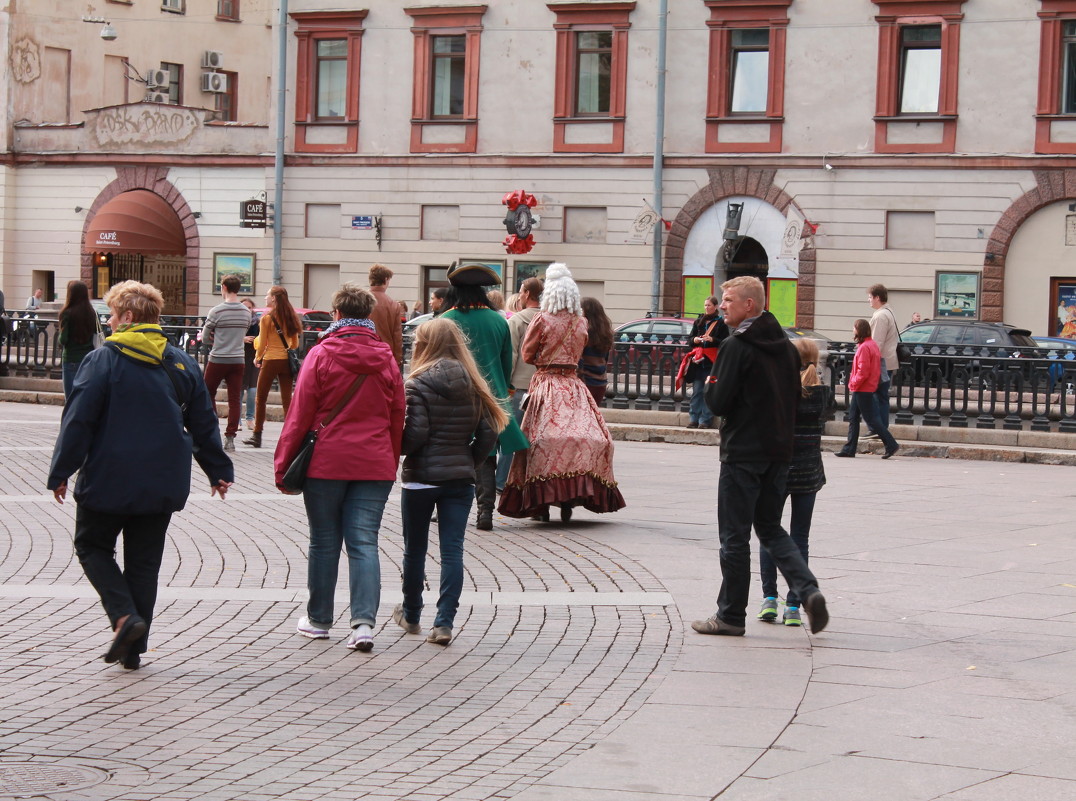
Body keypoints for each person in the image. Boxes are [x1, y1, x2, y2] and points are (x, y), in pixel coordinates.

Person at [47, 280, 233, 670]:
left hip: (109, 477)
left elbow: (78, 420)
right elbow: (203, 421)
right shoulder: (180, 361)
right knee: (144, 564)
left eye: (113, 315)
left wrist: (62, 471)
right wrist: (218, 470)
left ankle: (123, 617)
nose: (110, 323)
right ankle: (133, 649)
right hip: (162, 480)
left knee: (92, 547)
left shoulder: (103, 360)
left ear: (128, 317)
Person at [692, 275, 828, 637]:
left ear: (749, 304)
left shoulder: (737, 346)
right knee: (770, 528)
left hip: (742, 453)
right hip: (778, 452)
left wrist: (710, 386)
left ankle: (731, 615)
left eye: (728, 300)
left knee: (734, 536)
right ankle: (807, 589)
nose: (721, 306)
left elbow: (718, 402)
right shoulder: (784, 346)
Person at [275, 283, 404, 652]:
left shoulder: (321, 354)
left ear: (335, 314)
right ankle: (363, 624)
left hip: (326, 461)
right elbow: (398, 415)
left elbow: (299, 415)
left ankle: (318, 620)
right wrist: (389, 460)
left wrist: (283, 464)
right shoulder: (386, 358)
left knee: (325, 541)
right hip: (374, 461)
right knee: (364, 542)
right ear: (368, 316)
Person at [395, 318, 508, 646]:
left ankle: (412, 614)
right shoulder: (474, 381)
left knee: (415, 550)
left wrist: (401, 448)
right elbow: (489, 432)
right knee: (452, 552)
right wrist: (468, 461)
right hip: (459, 479)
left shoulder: (416, 383)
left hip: (420, 479)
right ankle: (444, 622)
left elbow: (415, 434)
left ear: (425, 345)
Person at [498, 264, 626, 524]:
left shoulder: (542, 319)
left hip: (546, 382)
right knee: (584, 436)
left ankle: (540, 505)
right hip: (573, 385)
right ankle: (569, 499)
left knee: (537, 440)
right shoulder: (581, 321)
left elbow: (527, 355)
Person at [441, 263, 529, 530]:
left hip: (455, 397)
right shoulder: (498, 321)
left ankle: (445, 509)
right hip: (492, 397)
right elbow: (506, 364)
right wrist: (505, 390)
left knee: (449, 454)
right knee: (487, 457)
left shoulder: (446, 320)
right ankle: (485, 513)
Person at [757, 337, 832, 627]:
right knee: (800, 537)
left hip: (778, 471)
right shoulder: (822, 393)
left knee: (770, 533)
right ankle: (793, 606)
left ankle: (769, 600)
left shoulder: (783, 391)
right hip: (809, 472)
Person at [495, 276, 543, 492]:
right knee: (539, 437)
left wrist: (506, 385)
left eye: (522, 291)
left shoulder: (516, 320)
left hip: (519, 386)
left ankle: (502, 481)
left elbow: (511, 356)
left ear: (526, 294)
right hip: (544, 386)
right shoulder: (549, 319)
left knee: (511, 435)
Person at [201, 275, 253, 452]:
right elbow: (242, 331)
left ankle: (213, 428)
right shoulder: (246, 312)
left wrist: (217, 339)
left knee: (207, 392)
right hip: (238, 359)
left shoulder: (216, 311)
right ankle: (230, 437)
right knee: (235, 398)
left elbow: (205, 337)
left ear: (223, 287)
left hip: (218, 358)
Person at [245, 285, 302, 449]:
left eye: (267, 295)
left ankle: (257, 435)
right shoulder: (292, 317)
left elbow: (262, 343)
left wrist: (257, 357)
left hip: (270, 360)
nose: (265, 298)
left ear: (274, 299)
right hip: (286, 361)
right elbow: (295, 343)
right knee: (287, 400)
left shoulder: (267, 318)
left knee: (260, 398)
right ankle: (291, 437)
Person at [836, 319, 900, 460]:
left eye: (854, 328)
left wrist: (853, 383)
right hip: (866, 387)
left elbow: (863, 371)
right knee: (853, 417)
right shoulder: (872, 344)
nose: (853, 330)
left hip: (862, 388)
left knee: (872, 419)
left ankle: (891, 444)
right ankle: (849, 448)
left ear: (859, 330)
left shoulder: (865, 347)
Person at [684, 296, 728, 428]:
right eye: (705, 305)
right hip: (698, 362)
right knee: (697, 391)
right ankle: (694, 419)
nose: (706, 307)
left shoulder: (721, 323)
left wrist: (712, 340)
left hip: (712, 363)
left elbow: (725, 342)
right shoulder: (699, 322)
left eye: (709, 305)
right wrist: (695, 340)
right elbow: (690, 340)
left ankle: (705, 420)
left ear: (715, 307)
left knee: (708, 392)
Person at [57, 280, 98, 399]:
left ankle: (70, 418)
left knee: (70, 398)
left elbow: (63, 339)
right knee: (84, 397)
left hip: (71, 359)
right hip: (89, 359)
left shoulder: (67, 313)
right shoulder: (92, 313)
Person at [867, 284, 900, 432]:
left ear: (877, 298)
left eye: (870, 297)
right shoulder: (889, 312)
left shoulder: (880, 316)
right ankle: (880, 428)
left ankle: (877, 429)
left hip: (880, 363)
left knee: (876, 397)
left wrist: (869, 363)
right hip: (888, 361)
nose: (869, 300)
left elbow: (876, 343)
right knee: (882, 397)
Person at [578, 297, 613, 406]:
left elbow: (579, 360)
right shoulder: (605, 333)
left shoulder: (583, 333)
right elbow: (605, 359)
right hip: (600, 383)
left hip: (585, 382)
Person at [368, 264, 403, 368]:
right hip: (385, 355)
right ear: (386, 279)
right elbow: (397, 335)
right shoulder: (393, 304)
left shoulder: (360, 300)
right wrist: (397, 359)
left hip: (361, 351)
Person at [241, 298, 260, 430]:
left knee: (252, 390)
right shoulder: (237, 321)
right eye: (244, 307)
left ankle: (249, 418)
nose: (247, 310)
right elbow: (230, 336)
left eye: (249, 307)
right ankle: (236, 419)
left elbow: (262, 338)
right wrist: (242, 339)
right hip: (239, 356)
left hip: (253, 357)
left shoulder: (257, 322)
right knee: (239, 390)